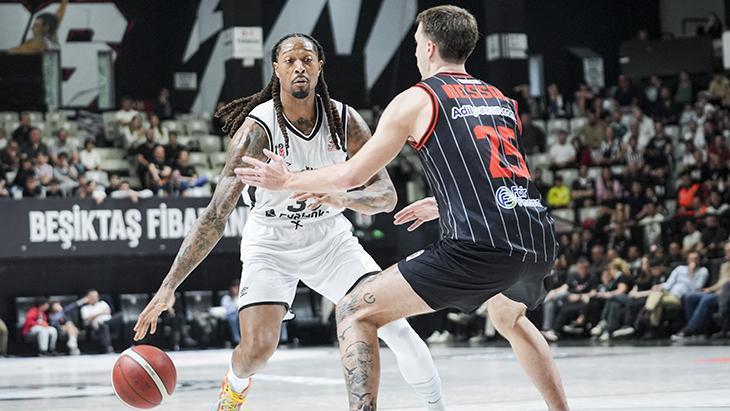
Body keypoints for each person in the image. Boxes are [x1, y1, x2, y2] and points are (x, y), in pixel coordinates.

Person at [235, 6, 568, 411]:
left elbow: (352, 174)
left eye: (415, 43)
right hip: (536, 238)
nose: (414, 51)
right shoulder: (499, 99)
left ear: (429, 47)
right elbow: (505, 176)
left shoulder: (418, 98)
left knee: (355, 310)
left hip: (480, 247)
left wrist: (287, 181)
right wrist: (446, 203)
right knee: (509, 318)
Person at [132, 33, 445, 411]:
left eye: (307, 60)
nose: (300, 67)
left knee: (397, 329)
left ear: (319, 67)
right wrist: (169, 287)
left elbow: (386, 196)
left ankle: (437, 407)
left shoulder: (346, 121)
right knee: (257, 351)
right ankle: (234, 385)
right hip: (271, 242)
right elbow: (215, 215)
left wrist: (340, 197)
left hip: (331, 240)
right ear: (276, 69)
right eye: (291, 61)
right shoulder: (256, 130)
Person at [672, 243, 730, 339]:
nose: (727, 253)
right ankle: (697, 329)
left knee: (706, 299)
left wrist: (715, 290)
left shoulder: (703, 270)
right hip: (717, 291)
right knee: (689, 296)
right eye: (726, 251)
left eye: (729, 251)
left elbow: (727, 282)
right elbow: (720, 282)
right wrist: (710, 289)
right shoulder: (724, 265)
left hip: (725, 293)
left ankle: (690, 329)